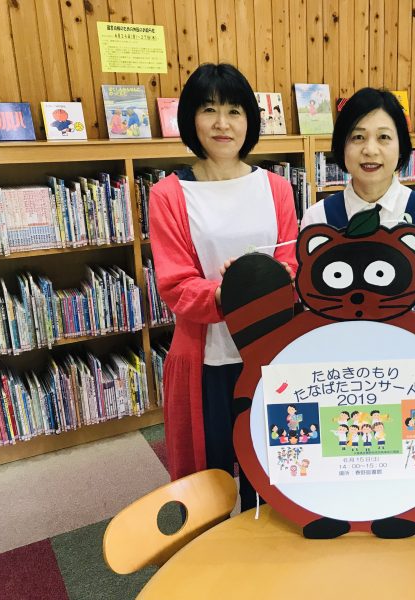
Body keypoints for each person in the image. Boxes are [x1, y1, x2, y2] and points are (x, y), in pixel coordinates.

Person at [149, 63, 298, 512]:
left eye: (234, 111)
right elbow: (175, 284)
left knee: (269, 468)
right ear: (190, 119)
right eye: (208, 110)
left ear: (249, 120)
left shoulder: (276, 187)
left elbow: (291, 262)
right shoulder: (169, 194)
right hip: (206, 359)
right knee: (208, 481)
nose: (222, 123)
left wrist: (266, 280)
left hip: (267, 352)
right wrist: (228, 292)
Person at [300, 87, 415, 324]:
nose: (370, 150)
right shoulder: (318, 218)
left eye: (384, 137)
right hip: (336, 345)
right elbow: (316, 308)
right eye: (358, 137)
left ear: (401, 146)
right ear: (342, 146)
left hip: (406, 345)